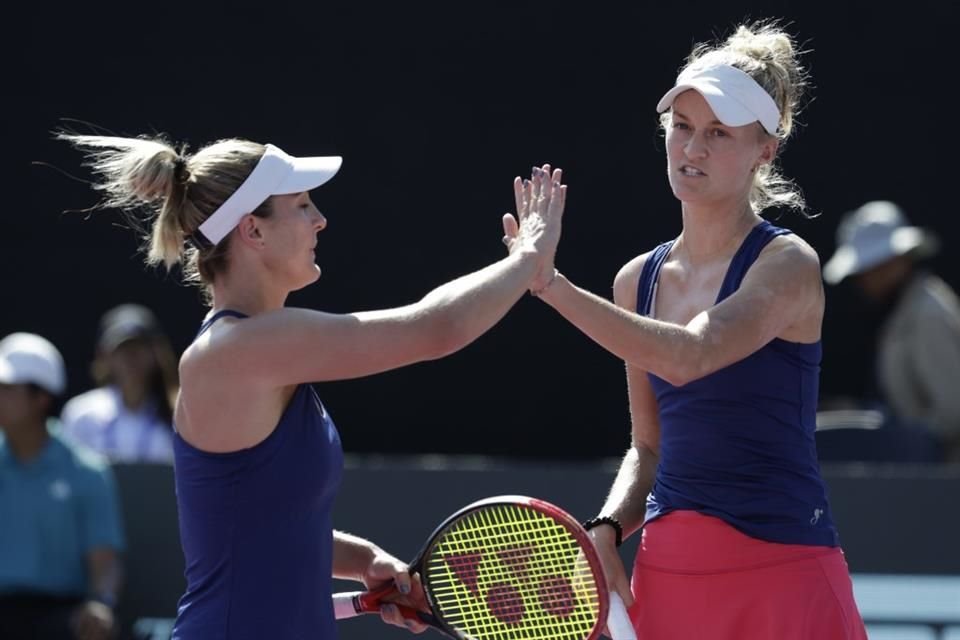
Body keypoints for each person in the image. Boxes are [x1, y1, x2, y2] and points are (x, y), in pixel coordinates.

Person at [57, 131, 565, 639]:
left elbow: (265, 531)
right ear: (253, 230)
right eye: (301, 205)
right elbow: (434, 329)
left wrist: (362, 559)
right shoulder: (238, 351)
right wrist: (527, 258)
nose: (319, 219)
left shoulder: (256, 348)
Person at [503, 21, 868, 639]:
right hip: (670, 573)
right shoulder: (635, 281)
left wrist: (551, 286)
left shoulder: (788, 266)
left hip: (784, 569)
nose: (692, 149)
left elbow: (692, 355)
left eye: (718, 134)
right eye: (682, 128)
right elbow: (649, 447)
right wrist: (609, 525)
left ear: (765, 151)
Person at [0, 332, 125, 640]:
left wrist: (99, 603)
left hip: (60, 616)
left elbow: (105, 561)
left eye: (6, 389)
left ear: (41, 398)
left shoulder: (86, 471)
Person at [822, 200, 960, 462]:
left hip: (943, 486)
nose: (864, 280)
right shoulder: (907, 310)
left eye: (872, 268)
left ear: (897, 261)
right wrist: (862, 413)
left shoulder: (928, 314)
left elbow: (953, 411)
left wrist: (896, 437)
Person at [60, 303, 178, 464]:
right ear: (105, 356)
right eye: (121, 350)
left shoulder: (178, 416)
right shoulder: (81, 414)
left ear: (155, 354)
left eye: (138, 348)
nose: (130, 358)